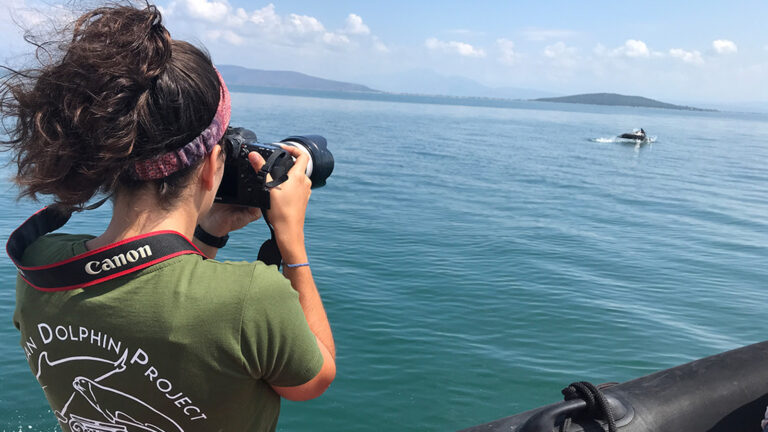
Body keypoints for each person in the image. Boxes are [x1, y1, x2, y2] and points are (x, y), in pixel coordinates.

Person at [1, 3, 335, 431]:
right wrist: (293, 246)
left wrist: (209, 234)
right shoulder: (250, 298)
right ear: (212, 165)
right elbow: (313, 379)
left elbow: (159, 292)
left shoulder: (41, 264)